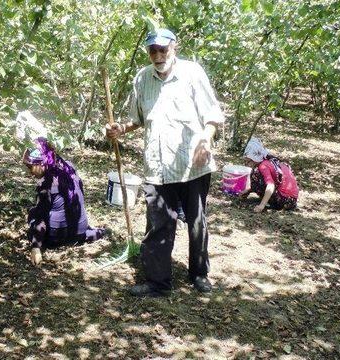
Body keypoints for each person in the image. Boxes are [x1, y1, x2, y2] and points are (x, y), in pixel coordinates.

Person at [106, 28, 225, 295]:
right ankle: (158, 282)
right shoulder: (142, 79)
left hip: (192, 164)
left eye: (163, 49)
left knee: (197, 221)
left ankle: (199, 274)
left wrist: (206, 139)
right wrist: (119, 130)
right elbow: (136, 119)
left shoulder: (192, 73)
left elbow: (212, 114)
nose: (158, 55)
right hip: (157, 167)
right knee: (158, 223)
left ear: (174, 48)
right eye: (153, 50)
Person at [24, 137, 105, 266]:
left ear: (41, 164)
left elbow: (41, 218)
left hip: (56, 236)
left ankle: (55, 239)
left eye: (30, 166)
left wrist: (35, 247)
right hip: (80, 230)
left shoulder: (46, 184)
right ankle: (94, 233)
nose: (30, 172)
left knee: (33, 213)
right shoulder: (69, 167)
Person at [241, 137, 299, 212]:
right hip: (291, 200)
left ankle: (267, 202)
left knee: (255, 175)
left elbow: (270, 185)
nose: (246, 164)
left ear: (254, 159)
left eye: (248, 161)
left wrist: (261, 206)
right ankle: (270, 200)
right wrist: (248, 191)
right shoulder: (269, 161)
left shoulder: (263, 166)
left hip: (284, 200)